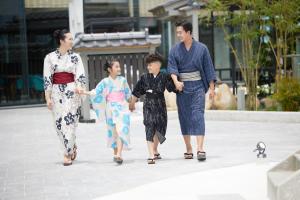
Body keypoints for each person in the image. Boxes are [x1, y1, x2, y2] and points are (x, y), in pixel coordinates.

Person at [167, 21, 216, 161]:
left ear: (188, 32)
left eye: (180, 32)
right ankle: (188, 148)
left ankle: (200, 148)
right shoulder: (174, 50)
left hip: (198, 87)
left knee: (198, 115)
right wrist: (176, 82)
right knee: (184, 117)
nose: (178, 35)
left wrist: (212, 89)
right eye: (177, 33)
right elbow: (172, 68)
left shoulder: (202, 48)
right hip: (181, 88)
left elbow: (209, 68)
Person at [43, 29, 86, 166]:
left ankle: (67, 153)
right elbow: (47, 79)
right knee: (59, 124)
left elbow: (80, 75)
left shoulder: (76, 57)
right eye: (70, 39)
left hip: (72, 91)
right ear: (61, 41)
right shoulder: (49, 58)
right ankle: (71, 146)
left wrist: (80, 87)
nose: (72, 41)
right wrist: (48, 98)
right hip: (56, 92)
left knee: (70, 122)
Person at [82, 60, 131, 165]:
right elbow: (96, 91)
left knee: (121, 129)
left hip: (122, 107)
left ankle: (119, 153)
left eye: (119, 66)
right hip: (110, 108)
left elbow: (128, 93)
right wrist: (85, 92)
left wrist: (132, 103)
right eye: (116, 67)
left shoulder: (122, 80)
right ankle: (116, 154)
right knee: (113, 131)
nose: (119, 69)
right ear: (110, 69)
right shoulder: (105, 81)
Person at [130, 54, 176, 164]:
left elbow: (171, 88)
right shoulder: (144, 77)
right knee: (149, 126)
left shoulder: (164, 76)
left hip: (160, 104)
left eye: (150, 65)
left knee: (160, 128)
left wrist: (176, 82)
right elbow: (137, 91)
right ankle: (151, 154)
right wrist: (132, 103)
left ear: (157, 65)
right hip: (148, 104)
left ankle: (155, 149)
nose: (148, 67)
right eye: (148, 65)